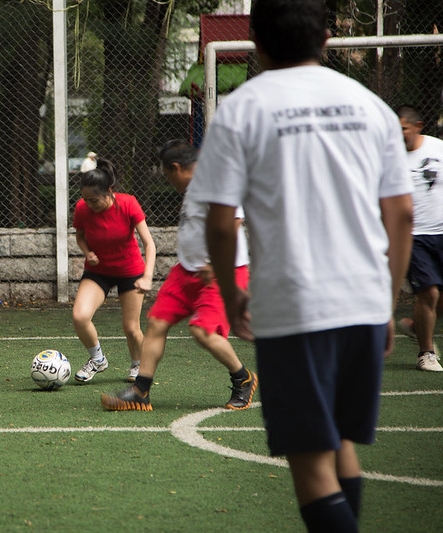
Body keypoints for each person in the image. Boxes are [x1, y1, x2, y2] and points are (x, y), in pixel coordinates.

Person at [189, 0, 414, 531]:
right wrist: (386, 301)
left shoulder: (243, 109)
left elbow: (220, 223)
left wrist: (231, 291)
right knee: (339, 444)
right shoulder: (370, 106)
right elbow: (401, 213)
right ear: (327, 40)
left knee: (311, 463)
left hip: (293, 305)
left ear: (256, 43)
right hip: (362, 301)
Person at [101, 140, 256, 411]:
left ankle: (243, 378)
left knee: (202, 331)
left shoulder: (215, 181)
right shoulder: (193, 186)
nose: (168, 181)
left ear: (176, 168)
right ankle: (141, 391)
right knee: (157, 322)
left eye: (166, 174)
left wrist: (215, 263)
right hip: (188, 270)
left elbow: (233, 222)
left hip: (223, 271)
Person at [71, 158, 156, 383]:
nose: (90, 205)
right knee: (80, 316)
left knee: (131, 328)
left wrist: (148, 277)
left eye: (95, 200)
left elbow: (149, 244)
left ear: (109, 191)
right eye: (86, 200)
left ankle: (138, 365)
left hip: (131, 271)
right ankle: (97, 360)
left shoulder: (128, 204)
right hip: (99, 272)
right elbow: (80, 236)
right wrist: (87, 252)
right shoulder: (82, 207)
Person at [395, 104, 443, 372]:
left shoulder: (438, 149)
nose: (398, 134)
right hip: (414, 236)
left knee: (438, 297)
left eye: (403, 128)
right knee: (429, 292)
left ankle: (416, 325)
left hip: (441, 231)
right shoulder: (391, 158)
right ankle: (426, 353)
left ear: (418, 127)